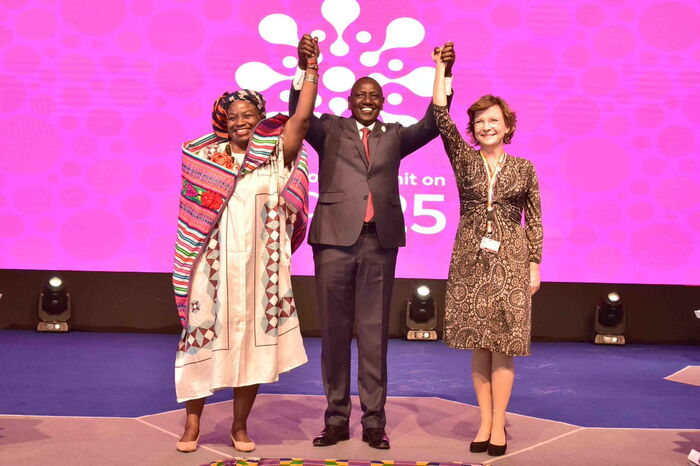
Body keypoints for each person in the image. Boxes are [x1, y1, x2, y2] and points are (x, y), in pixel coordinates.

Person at [288, 35, 455, 450]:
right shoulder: (328, 129)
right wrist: (306, 67)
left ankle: (375, 422)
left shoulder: (394, 135)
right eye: (361, 94)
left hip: (378, 242)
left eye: (374, 96)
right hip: (333, 243)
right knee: (333, 333)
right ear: (349, 99)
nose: (367, 100)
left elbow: (434, 123)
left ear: (381, 102)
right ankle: (336, 419)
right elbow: (298, 113)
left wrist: (443, 72)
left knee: (374, 333)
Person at [171, 39, 319, 453]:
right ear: (223, 120)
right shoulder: (204, 157)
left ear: (261, 118)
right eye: (233, 116)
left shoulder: (275, 154)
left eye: (249, 115)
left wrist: (310, 69)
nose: (240, 121)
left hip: (261, 269)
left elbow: (302, 121)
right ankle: (192, 425)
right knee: (199, 345)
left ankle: (239, 426)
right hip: (212, 270)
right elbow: (193, 218)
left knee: (253, 348)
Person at [431, 43, 543, 456]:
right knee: (479, 341)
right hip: (471, 258)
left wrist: (534, 264)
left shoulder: (524, 168)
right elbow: (440, 116)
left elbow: (535, 219)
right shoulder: (464, 160)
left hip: (512, 259)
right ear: (473, 128)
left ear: (507, 126)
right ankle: (484, 421)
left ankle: (501, 424)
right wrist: (442, 69)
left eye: (493, 120)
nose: (486, 126)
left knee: (505, 342)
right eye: (479, 121)